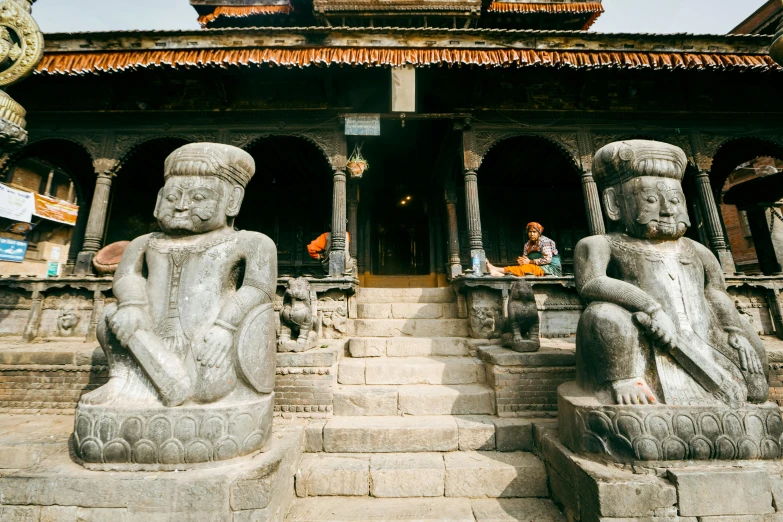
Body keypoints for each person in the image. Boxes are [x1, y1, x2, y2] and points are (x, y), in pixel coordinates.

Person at [486, 222, 562, 277]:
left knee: (528, 268)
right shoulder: (527, 244)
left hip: (550, 268)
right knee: (523, 268)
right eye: (530, 232)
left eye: (534, 232)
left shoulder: (544, 241)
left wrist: (530, 261)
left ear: (539, 233)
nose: (532, 234)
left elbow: (548, 259)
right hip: (536, 266)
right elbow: (525, 258)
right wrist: (522, 260)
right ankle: (499, 273)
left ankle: (497, 270)